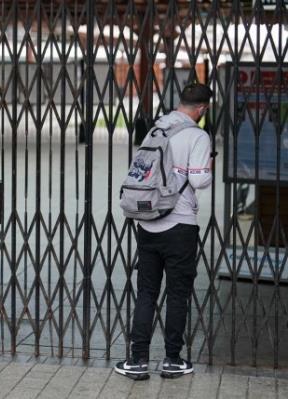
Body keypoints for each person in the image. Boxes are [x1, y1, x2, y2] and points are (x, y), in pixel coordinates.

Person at [114, 82, 213, 380]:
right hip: (180, 223)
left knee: (146, 291)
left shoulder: (156, 129)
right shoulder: (197, 135)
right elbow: (199, 180)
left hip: (148, 221)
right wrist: (207, 165)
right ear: (202, 109)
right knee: (178, 293)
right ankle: (172, 359)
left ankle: (137, 360)